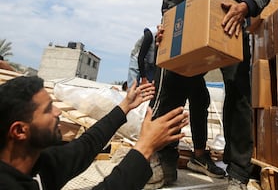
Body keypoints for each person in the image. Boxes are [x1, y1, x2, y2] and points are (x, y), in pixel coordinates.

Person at [153, 0, 270, 190]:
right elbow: (171, 11)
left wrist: (244, 6)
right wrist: (165, 29)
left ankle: (238, 172)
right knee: (172, 91)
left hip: (228, 37)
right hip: (193, 46)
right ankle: (165, 163)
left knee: (238, 95)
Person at [0, 75, 189, 190]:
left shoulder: (35, 163)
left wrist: (125, 106)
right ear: (19, 131)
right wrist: (144, 148)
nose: (57, 112)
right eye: (48, 109)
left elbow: (85, 146)